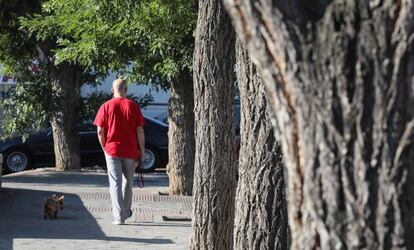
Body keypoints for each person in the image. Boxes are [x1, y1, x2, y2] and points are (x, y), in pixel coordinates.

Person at [93, 78, 145, 225]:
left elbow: (99, 131)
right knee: (128, 182)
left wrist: (104, 148)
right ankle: (126, 211)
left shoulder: (105, 106)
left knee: (115, 183)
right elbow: (140, 131)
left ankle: (118, 216)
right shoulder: (133, 107)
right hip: (130, 151)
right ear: (126, 90)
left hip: (112, 150)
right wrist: (141, 151)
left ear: (112, 90)